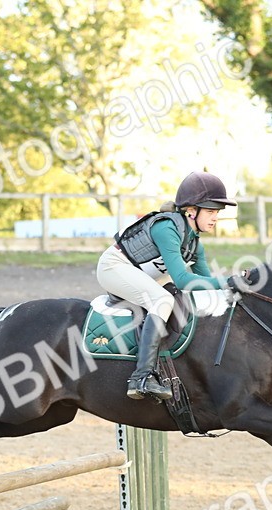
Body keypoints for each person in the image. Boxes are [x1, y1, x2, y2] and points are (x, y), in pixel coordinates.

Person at [97, 171, 239, 400]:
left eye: (217, 213)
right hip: (113, 267)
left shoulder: (195, 245)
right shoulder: (167, 228)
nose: (215, 218)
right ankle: (141, 378)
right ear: (191, 211)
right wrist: (229, 280)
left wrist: (237, 290)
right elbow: (183, 280)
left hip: (139, 274)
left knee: (177, 299)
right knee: (163, 300)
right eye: (211, 212)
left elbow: (205, 286)